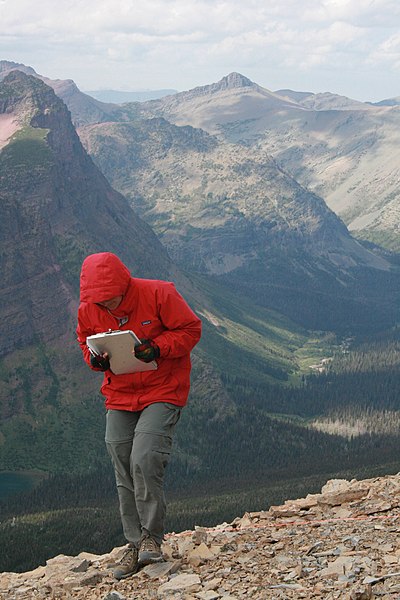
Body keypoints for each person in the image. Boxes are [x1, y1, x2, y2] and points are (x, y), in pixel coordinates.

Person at [76, 252, 202, 580]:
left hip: (163, 388)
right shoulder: (90, 307)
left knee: (144, 458)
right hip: (120, 393)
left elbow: (190, 329)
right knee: (120, 453)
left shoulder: (159, 293)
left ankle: (151, 537)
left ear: (124, 285)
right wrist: (95, 360)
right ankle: (134, 543)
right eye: (100, 303)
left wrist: (157, 347)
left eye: (111, 300)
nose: (106, 307)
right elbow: (84, 340)